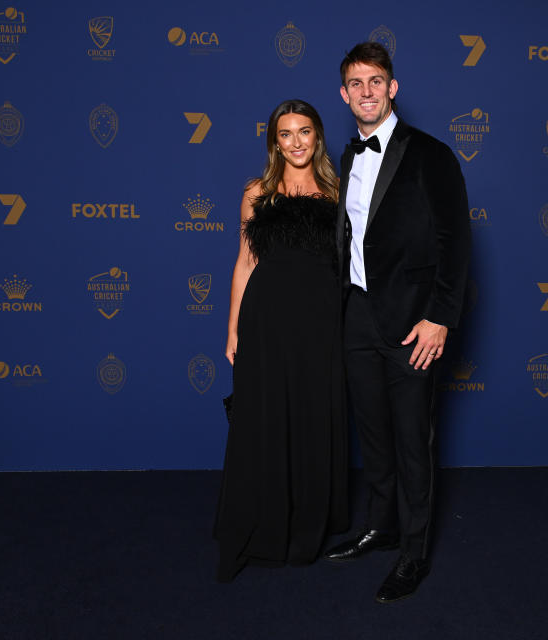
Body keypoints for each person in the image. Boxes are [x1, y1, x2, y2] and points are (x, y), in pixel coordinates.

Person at [323, 42, 471, 603]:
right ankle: (380, 528)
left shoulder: (432, 154)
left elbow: (455, 243)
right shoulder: (345, 156)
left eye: (376, 81)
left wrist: (440, 318)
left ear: (393, 88)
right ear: (344, 94)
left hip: (414, 323)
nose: (366, 91)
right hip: (357, 317)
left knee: (413, 441)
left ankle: (413, 554)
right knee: (375, 436)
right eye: (356, 83)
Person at [214, 99, 348, 583]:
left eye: (304, 132)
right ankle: (264, 522)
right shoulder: (257, 192)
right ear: (274, 141)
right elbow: (245, 263)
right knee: (265, 416)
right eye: (285, 134)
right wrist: (232, 328)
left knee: (312, 415)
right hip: (266, 321)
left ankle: (308, 524)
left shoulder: (336, 191)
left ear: (317, 137)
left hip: (320, 323)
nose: (295, 142)